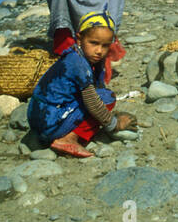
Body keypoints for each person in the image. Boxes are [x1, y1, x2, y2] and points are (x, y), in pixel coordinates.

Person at [27, 12, 137, 158]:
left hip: (37, 117)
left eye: (105, 46)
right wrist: (114, 124)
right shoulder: (78, 64)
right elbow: (93, 102)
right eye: (94, 43)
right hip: (50, 123)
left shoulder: (74, 54)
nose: (99, 51)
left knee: (100, 97)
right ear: (79, 39)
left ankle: (66, 130)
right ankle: (68, 138)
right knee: (107, 98)